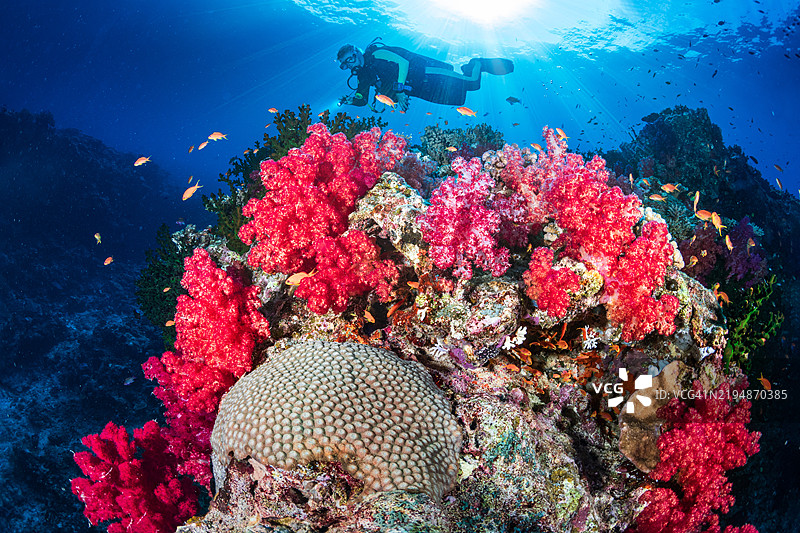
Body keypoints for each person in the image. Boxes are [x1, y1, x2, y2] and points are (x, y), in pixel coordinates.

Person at [337, 39, 514, 112]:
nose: (351, 64)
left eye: (351, 58)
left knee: (473, 83)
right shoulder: (364, 77)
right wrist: (349, 100)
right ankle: (468, 68)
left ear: (357, 52)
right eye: (346, 64)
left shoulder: (376, 53)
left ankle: (477, 63)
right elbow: (361, 99)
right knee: (459, 101)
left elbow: (403, 63)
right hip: (419, 90)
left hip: (426, 73)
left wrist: (398, 90)